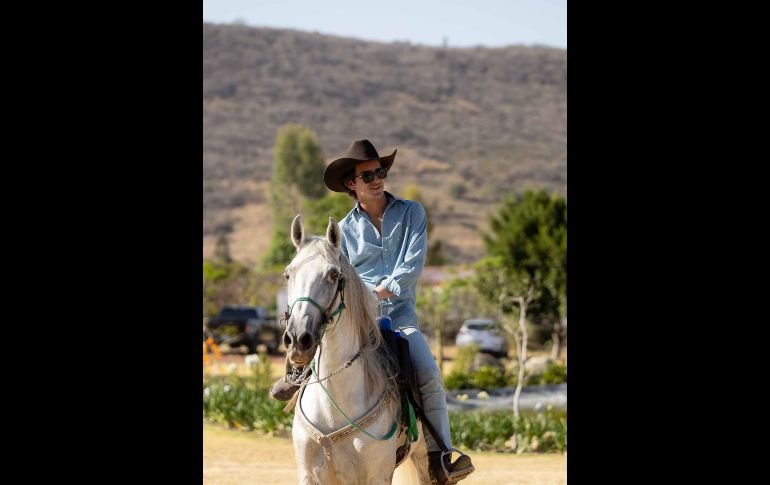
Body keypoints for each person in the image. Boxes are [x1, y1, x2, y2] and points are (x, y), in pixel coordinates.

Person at [271, 139, 474, 482]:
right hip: (359, 319)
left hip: (399, 318)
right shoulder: (344, 230)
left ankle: (441, 457)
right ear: (352, 184)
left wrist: (380, 290)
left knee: (428, 375)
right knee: (319, 342)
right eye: (368, 175)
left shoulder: (412, 213)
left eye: (380, 172)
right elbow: (339, 276)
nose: (377, 179)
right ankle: (297, 373)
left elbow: (411, 266)